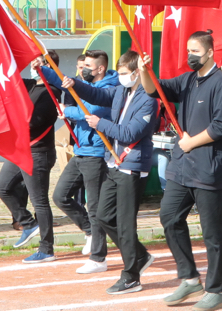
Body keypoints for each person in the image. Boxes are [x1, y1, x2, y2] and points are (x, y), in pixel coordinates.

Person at [144, 32, 222, 310]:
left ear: (209, 52)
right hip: (182, 167)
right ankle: (189, 277)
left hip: (209, 168)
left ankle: (216, 290)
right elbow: (154, 89)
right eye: (188, 50)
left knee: (212, 232)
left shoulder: (221, 83)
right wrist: (144, 70)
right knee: (169, 216)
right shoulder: (187, 80)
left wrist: (191, 142)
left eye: (195, 51)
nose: (190, 55)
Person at [57, 51, 159, 294]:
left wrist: (99, 123)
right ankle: (140, 254)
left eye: (124, 73)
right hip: (113, 163)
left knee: (125, 223)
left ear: (137, 73)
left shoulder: (149, 99)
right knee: (102, 215)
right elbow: (98, 95)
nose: (120, 77)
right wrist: (75, 84)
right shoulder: (121, 90)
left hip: (132, 166)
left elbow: (129, 133)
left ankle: (131, 275)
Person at [43, 51, 119, 273]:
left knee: (94, 207)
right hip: (80, 150)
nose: (82, 70)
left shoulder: (109, 87)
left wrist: (67, 111)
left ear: (100, 68)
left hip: (96, 152)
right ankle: (89, 231)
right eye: (82, 66)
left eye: (87, 66)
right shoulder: (86, 84)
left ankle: (98, 258)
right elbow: (62, 80)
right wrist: (43, 67)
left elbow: (93, 110)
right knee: (60, 195)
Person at [0, 51, 63, 263]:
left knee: (39, 201)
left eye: (40, 63)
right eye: (34, 62)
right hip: (22, 150)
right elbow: (5, 79)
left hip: (38, 152)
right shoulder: (31, 85)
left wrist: (12, 119)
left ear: (50, 68)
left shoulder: (52, 92)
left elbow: (35, 123)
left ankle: (47, 248)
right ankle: (29, 223)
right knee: (2, 187)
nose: (34, 66)